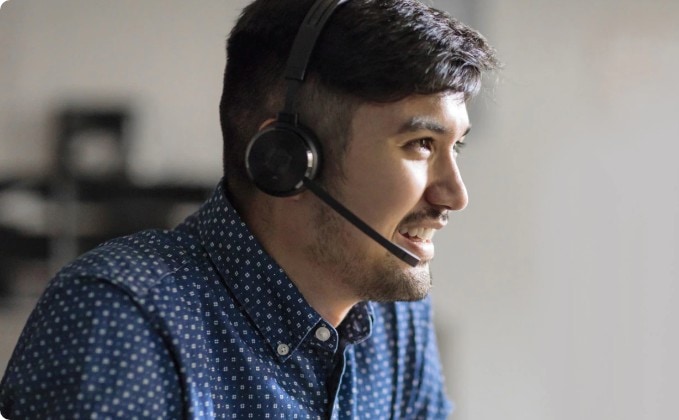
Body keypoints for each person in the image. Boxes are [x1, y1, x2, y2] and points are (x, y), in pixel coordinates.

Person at [0, 0, 498, 418]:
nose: (454, 195)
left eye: (457, 148)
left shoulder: (395, 320)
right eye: (421, 144)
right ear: (284, 161)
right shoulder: (119, 319)